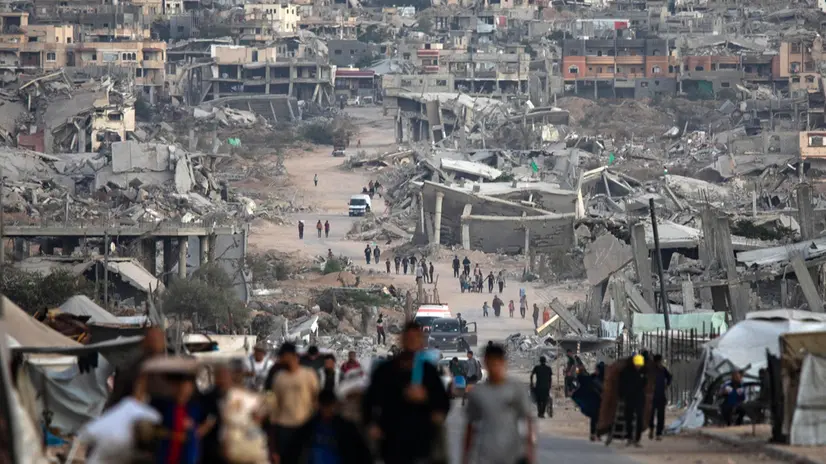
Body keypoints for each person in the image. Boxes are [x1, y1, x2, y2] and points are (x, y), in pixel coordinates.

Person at [362, 322, 451, 464]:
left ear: (422, 342)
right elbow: (369, 401)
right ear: (402, 340)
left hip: (422, 443)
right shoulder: (386, 371)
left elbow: (442, 403)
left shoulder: (428, 371)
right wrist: (372, 424)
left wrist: (426, 398)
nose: (412, 342)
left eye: (416, 338)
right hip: (392, 441)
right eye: (409, 338)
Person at [464, 344, 534, 464]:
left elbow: (528, 421)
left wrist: (530, 452)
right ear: (485, 363)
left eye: (497, 363)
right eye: (490, 363)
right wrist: (465, 457)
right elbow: (470, 427)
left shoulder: (516, 389)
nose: (494, 368)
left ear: (503, 363)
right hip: (486, 454)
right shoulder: (478, 393)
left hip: (513, 454)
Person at [283, 389, 372, 464]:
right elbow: (293, 452)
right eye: (324, 405)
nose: (327, 410)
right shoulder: (308, 428)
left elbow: (361, 453)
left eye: (329, 405)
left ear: (335, 405)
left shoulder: (346, 429)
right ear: (319, 405)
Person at [268, 342, 320, 463]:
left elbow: (316, 400)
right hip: (284, 428)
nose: (280, 359)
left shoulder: (309, 374)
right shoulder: (278, 377)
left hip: (304, 426)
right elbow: (274, 406)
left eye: (282, 356)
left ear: (291, 355)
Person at [151, 372, 211, 464]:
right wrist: (174, 435)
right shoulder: (166, 406)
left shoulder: (195, 409)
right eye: (182, 387)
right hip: (166, 455)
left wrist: (194, 430)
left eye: (188, 388)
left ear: (192, 390)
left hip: (187, 456)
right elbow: (156, 429)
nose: (184, 391)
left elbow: (204, 426)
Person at [106, 327, 166, 409]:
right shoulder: (131, 369)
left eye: (158, 340)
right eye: (153, 340)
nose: (156, 343)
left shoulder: (166, 368)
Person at [619, 354, 648, 447]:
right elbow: (621, 384)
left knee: (639, 418)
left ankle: (637, 439)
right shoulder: (626, 371)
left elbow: (645, 384)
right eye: (637, 365)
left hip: (639, 398)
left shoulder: (643, 372)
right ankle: (629, 438)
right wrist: (622, 395)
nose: (638, 366)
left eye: (640, 365)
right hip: (629, 398)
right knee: (629, 418)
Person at [649, 354, 672, 440]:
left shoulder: (662, 369)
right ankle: (652, 429)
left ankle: (658, 433)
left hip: (660, 396)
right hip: (653, 396)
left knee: (660, 416)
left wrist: (667, 385)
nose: (660, 363)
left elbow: (670, 377)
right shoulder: (654, 370)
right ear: (657, 361)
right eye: (660, 361)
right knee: (651, 415)